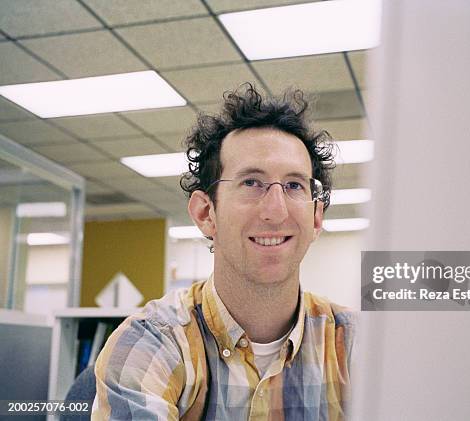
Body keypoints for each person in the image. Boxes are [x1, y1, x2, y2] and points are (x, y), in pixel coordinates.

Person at [92, 84, 356, 420]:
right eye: (251, 183)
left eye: (294, 186)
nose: (276, 211)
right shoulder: (150, 344)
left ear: (317, 217)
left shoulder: (356, 345)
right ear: (206, 214)